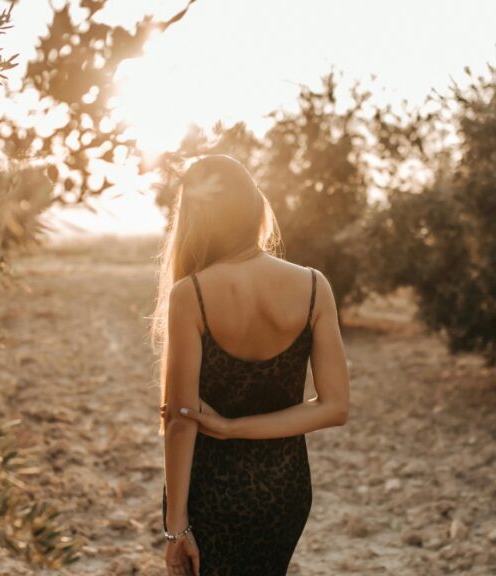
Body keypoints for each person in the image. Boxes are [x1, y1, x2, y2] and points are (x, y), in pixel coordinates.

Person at [151, 154, 350, 575]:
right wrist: (237, 428)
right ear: (256, 208)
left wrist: (176, 529)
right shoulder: (314, 286)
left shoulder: (191, 295)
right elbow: (334, 407)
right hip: (284, 488)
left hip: (212, 489)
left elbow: (181, 419)